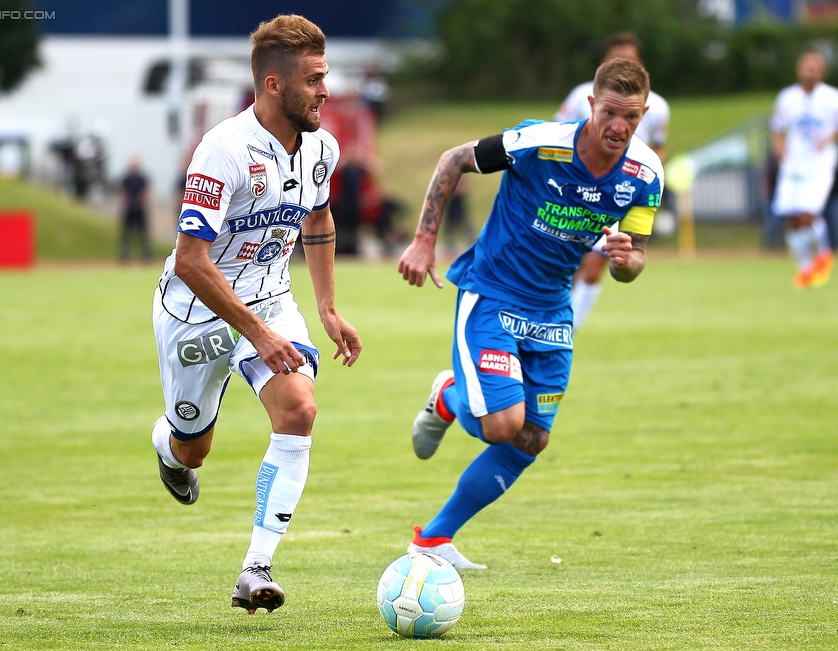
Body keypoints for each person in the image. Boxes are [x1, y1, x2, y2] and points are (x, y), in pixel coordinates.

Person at [398, 58, 663, 569]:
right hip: (492, 293)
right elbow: (454, 160)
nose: (619, 127)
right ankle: (451, 396)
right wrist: (424, 240)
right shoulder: (539, 142)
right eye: (609, 112)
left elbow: (634, 261)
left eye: (631, 117)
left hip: (552, 309)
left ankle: (433, 540)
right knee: (502, 424)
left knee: (530, 438)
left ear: (644, 113)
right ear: (591, 105)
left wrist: (628, 263)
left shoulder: (644, 175)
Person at [150, 14, 362, 614]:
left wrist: (325, 306)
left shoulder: (322, 144)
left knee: (299, 409)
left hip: (271, 299)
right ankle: (170, 443)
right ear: (273, 86)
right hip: (195, 311)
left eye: (326, 77)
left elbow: (318, 218)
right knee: (194, 448)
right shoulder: (222, 150)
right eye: (315, 80)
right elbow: (191, 261)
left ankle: (256, 567)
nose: (326, 91)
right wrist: (259, 334)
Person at [554, 31, 669, 330]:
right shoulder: (580, 96)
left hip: (620, 196)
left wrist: (650, 184)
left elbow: (659, 146)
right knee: (568, 270)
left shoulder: (658, 106)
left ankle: (566, 332)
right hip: (574, 195)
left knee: (595, 268)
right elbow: (558, 135)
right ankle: (552, 323)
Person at [770, 49, 838, 288]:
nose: (810, 69)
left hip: (819, 165)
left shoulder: (834, 98)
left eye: (815, 65)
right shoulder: (786, 97)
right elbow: (776, 128)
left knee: (808, 213)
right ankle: (805, 269)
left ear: (822, 71)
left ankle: (824, 253)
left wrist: (828, 138)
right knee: (792, 219)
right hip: (793, 164)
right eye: (807, 65)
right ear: (799, 68)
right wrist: (780, 149)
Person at [119, 154, 151, 262]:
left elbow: (145, 191)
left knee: (143, 234)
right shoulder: (126, 179)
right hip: (129, 209)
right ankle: (124, 256)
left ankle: (146, 256)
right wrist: (127, 202)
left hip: (139, 209)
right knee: (126, 235)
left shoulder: (142, 178)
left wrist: (141, 202)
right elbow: (122, 192)